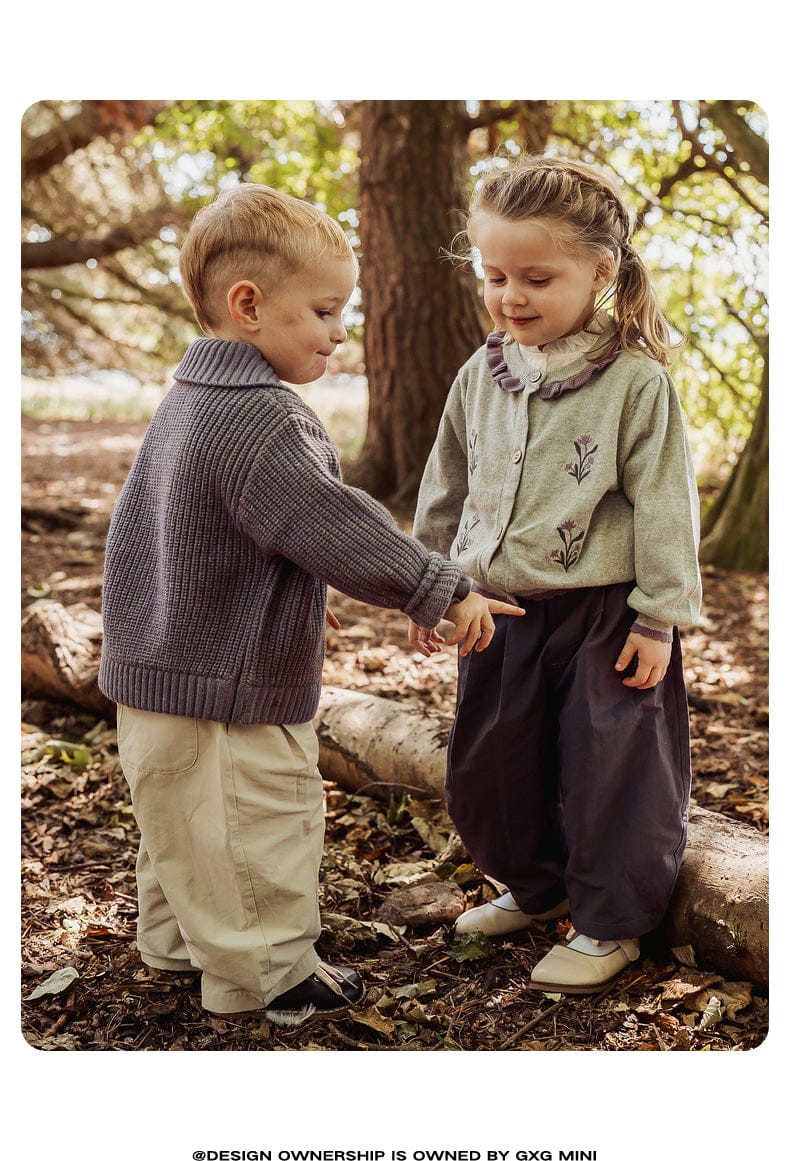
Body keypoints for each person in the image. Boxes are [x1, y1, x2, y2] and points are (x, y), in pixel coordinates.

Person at [98, 183, 523, 1025]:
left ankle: (176, 945)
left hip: (156, 675)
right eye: (324, 312)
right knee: (255, 827)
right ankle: (269, 976)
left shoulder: (185, 402)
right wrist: (442, 589)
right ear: (248, 305)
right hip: (229, 697)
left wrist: (282, 590)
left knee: (182, 826)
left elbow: (178, 530)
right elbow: (336, 523)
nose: (337, 333)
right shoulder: (265, 419)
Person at [409, 155, 702, 994]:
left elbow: (666, 505)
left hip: (606, 617)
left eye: (537, 278)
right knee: (490, 769)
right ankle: (537, 888)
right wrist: (429, 584)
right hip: (493, 612)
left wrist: (659, 617)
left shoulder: (636, 384)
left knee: (612, 772)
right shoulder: (480, 374)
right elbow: (446, 484)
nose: (511, 296)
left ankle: (611, 922)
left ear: (599, 272)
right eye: (495, 276)